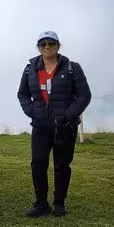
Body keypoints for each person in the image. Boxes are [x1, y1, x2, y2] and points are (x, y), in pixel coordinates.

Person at [17, 31, 91, 217]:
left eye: (51, 44)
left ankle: (59, 203)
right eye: (43, 44)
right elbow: (23, 94)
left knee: (62, 165)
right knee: (38, 164)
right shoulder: (30, 69)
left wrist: (68, 115)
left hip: (65, 126)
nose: (47, 47)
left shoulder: (72, 68)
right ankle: (41, 204)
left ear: (58, 46)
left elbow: (84, 96)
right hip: (40, 126)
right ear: (38, 47)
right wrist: (32, 111)